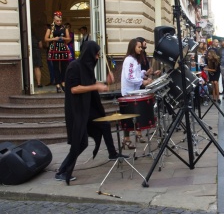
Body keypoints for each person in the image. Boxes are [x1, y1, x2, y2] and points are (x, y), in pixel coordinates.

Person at [56, 40, 125, 184]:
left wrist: (105, 83)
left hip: (88, 108)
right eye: (96, 54)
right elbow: (74, 89)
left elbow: (92, 86)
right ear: (89, 53)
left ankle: (112, 153)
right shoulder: (74, 66)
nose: (98, 57)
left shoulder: (88, 68)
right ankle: (62, 171)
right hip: (77, 110)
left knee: (104, 125)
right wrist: (96, 86)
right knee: (80, 143)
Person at [121, 39, 153, 147]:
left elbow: (136, 74)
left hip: (134, 91)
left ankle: (134, 135)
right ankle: (126, 139)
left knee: (135, 115)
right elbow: (129, 77)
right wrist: (143, 81)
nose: (140, 49)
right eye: (139, 47)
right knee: (128, 116)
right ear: (133, 47)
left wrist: (144, 73)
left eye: (141, 47)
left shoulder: (136, 60)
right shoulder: (129, 60)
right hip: (128, 92)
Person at [44, 11, 72, 93]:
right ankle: (57, 84)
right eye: (57, 21)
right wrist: (54, 39)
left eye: (60, 20)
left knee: (64, 66)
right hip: (54, 48)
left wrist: (63, 39)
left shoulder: (65, 27)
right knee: (55, 67)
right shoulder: (50, 28)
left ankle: (63, 82)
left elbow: (69, 38)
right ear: (54, 20)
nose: (59, 22)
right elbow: (46, 39)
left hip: (63, 48)